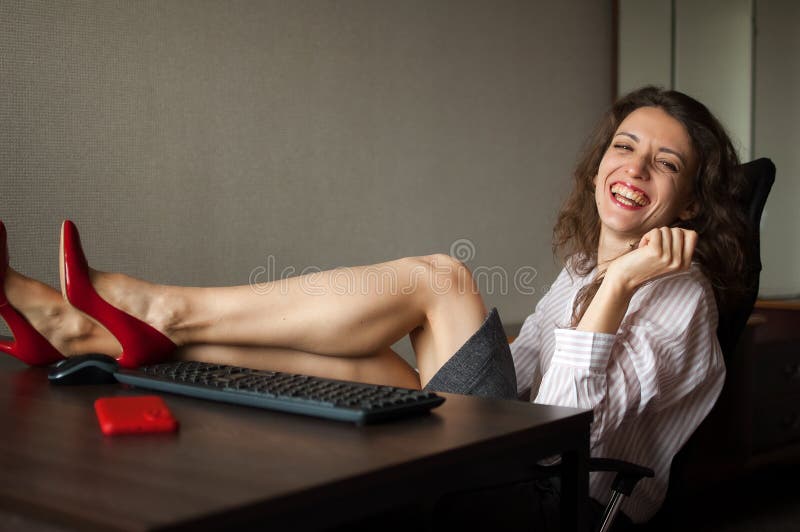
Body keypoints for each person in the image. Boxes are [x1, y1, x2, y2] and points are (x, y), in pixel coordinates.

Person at [0, 86, 748, 527]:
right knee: (368, 362)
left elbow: (564, 438)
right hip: (514, 452)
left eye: (667, 162)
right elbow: (519, 379)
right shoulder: (584, 266)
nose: (635, 168)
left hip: (554, 501)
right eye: (625, 146)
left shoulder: (683, 304)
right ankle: (90, 336)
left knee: (442, 281)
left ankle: (154, 311)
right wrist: (443, 363)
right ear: (599, 166)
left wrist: (617, 293)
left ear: (690, 198)